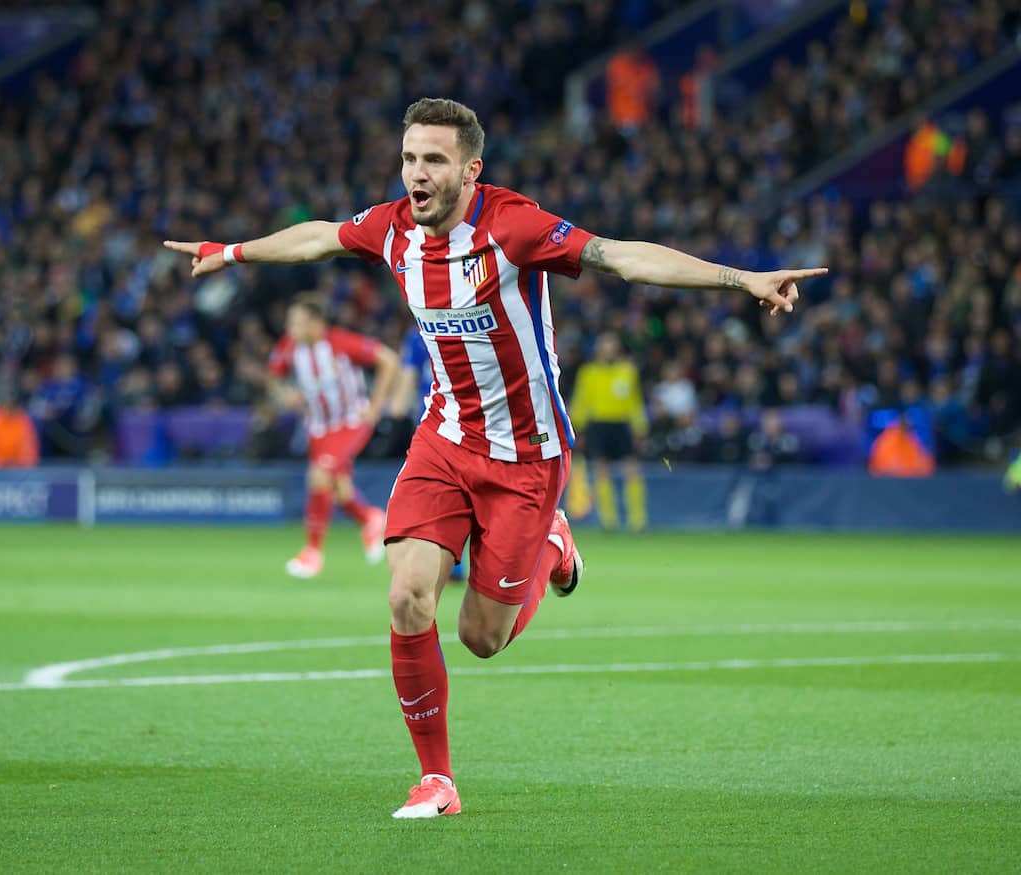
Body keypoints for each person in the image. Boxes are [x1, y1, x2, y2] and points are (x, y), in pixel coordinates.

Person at [165, 97, 825, 819]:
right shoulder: (390, 230)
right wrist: (229, 252)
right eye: (410, 158)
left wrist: (745, 278)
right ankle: (437, 780)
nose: (416, 174)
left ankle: (553, 541)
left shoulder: (513, 226)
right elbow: (319, 237)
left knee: (482, 636)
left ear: (470, 170)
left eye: (434, 161)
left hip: (527, 457)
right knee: (407, 594)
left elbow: (623, 258)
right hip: (443, 439)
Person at [267, 294, 399, 578]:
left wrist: (376, 407)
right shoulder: (290, 348)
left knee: (319, 476)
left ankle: (312, 553)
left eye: (298, 322)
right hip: (317, 426)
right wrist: (284, 395)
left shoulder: (340, 342)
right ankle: (371, 518)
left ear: (316, 324)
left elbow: (388, 360)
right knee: (339, 490)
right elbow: (273, 377)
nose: (291, 328)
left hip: (350, 422)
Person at [389, 327, 466, 580]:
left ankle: (449, 559)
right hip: (452, 421)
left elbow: (408, 375)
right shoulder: (451, 326)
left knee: (443, 494)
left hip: (435, 422)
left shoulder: (421, 332)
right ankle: (454, 562)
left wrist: (397, 411)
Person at [567, 331, 648, 531]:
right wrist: (578, 427)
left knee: (632, 470)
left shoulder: (628, 370)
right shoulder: (588, 372)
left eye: (612, 345)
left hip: (622, 424)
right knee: (601, 471)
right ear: (598, 349)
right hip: (598, 424)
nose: (608, 349)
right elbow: (581, 401)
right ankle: (609, 521)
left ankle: (637, 521)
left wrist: (640, 428)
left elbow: (635, 402)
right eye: (605, 345)